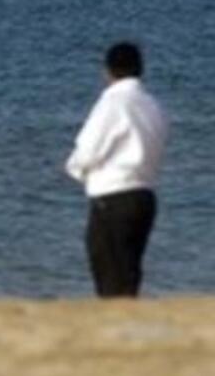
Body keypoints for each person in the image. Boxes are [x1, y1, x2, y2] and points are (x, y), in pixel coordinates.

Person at [65, 42, 169, 298]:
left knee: (109, 276)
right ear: (140, 70)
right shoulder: (154, 106)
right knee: (130, 273)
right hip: (144, 196)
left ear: (108, 71)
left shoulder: (113, 102)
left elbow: (89, 148)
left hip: (113, 198)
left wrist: (77, 170)